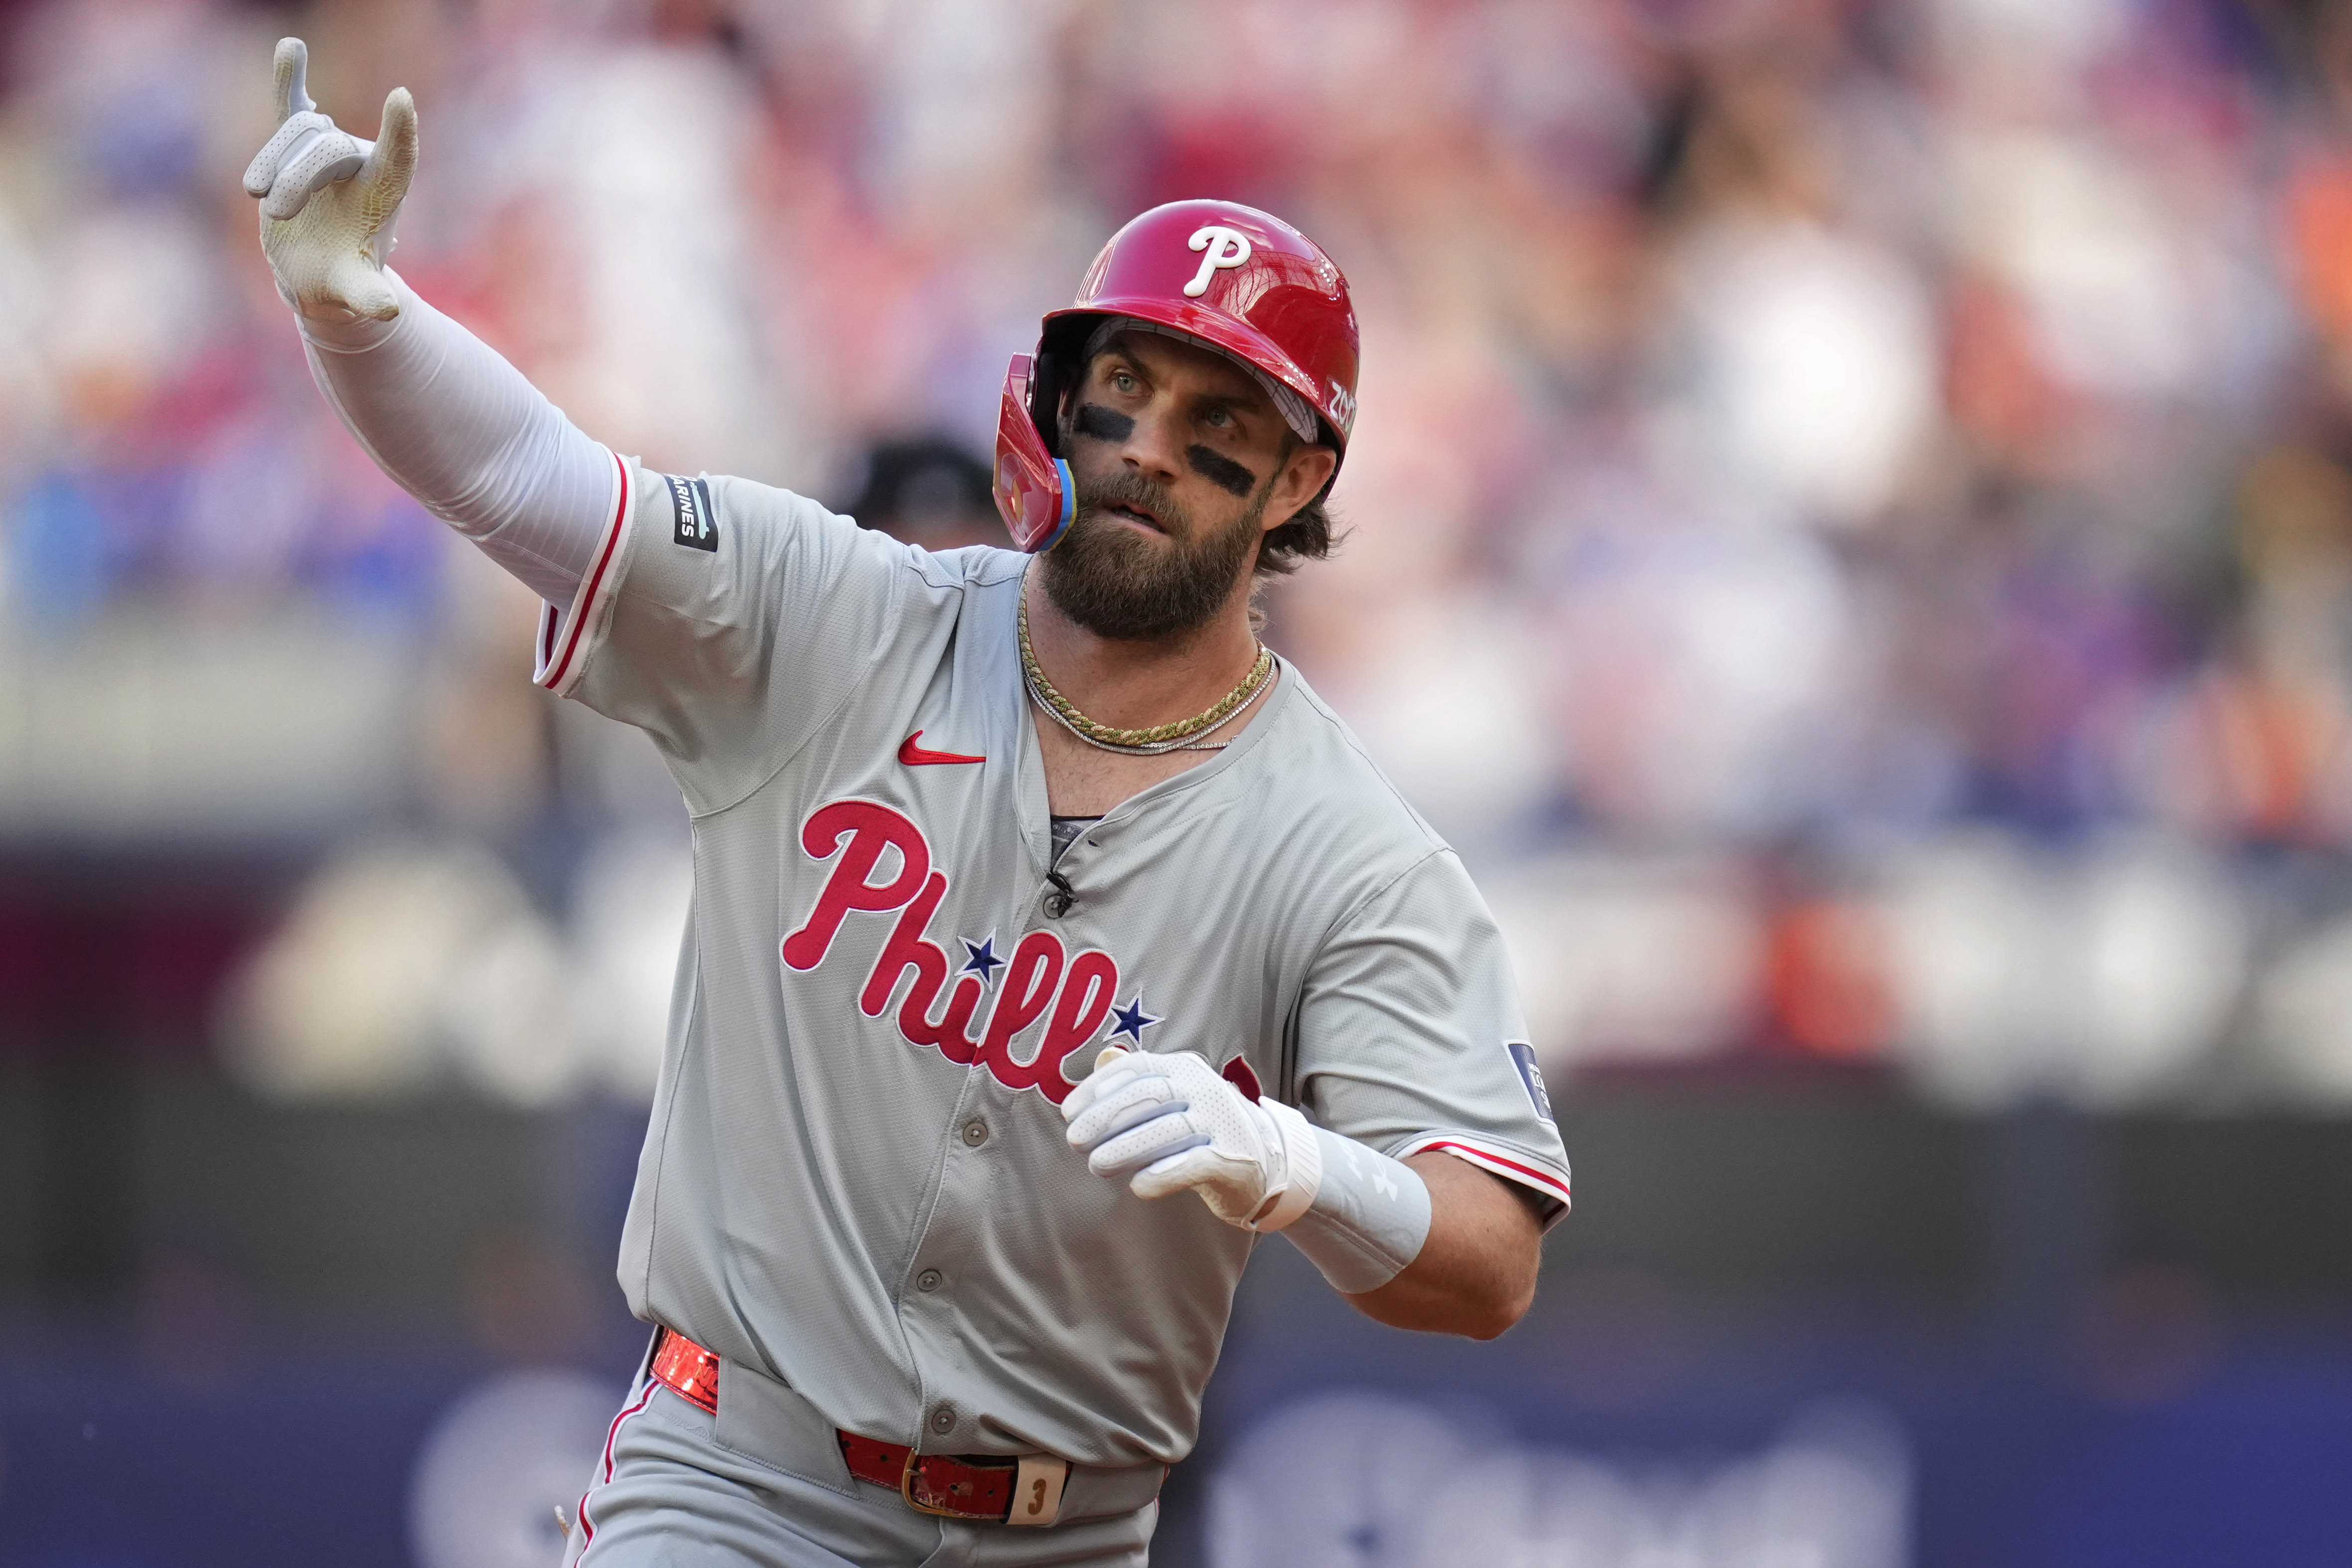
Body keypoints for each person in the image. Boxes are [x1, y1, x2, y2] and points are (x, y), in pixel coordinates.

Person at [242, 36, 1570, 1568]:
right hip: (734, 1480)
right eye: (1122, 387)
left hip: (1065, 1534)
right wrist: (358, 315)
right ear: (1053, 402)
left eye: (1220, 422)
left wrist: (1296, 1166)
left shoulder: (1348, 847)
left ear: (1295, 483)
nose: (1149, 448)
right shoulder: (843, 617)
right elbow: (541, 486)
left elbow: (1488, 1261)